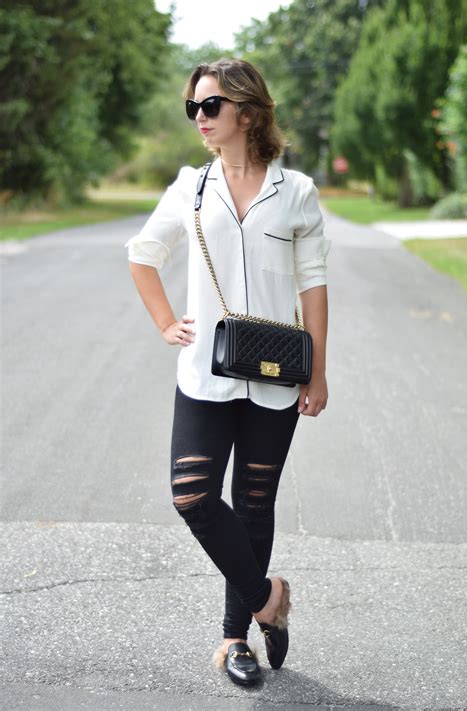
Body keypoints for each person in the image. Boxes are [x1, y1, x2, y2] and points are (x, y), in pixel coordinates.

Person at [124, 58, 330, 687]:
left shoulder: (295, 191)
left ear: (246, 109)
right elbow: (143, 254)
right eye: (193, 107)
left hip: (276, 375)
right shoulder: (191, 187)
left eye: (210, 105)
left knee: (254, 505)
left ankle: (236, 638)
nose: (200, 118)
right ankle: (270, 599)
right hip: (204, 375)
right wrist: (166, 323)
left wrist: (318, 372)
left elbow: (314, 285)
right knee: (191, 496)